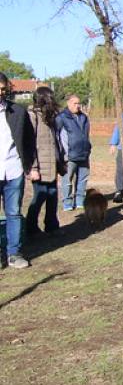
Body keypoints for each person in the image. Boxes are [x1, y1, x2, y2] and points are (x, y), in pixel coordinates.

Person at [0, 73, 35, 269]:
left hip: (13, 171)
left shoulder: (18, 112)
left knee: (13, 213)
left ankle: (14, 253)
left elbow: (29, 140)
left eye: (3, 89)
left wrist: (28, 165)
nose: (1, 93)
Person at [25, 87, 64, 236]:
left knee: (53, 195)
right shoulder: (32, 116)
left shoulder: (50, 117)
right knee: (40, 195)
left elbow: (55, 141)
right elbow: (30, 144)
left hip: (52, 164)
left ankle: (52, 226)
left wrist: (60, 161)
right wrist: (33, 167)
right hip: (39, 166)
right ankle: (31, 228)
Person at [56, 94, 91, 211]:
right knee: (67, 180)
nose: (78, 106)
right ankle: (67, 203)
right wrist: (62, 154)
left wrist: (88, 148)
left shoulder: (84, 117)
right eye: (75, 103)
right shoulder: (61, 117)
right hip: (69, 156)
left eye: (79, 103)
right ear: (68, 103)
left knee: (82, 179)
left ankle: (80, 201)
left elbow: (86, 135)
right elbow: (56, 136)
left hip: (84, 154)